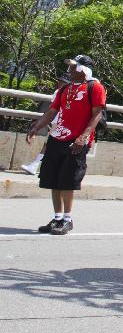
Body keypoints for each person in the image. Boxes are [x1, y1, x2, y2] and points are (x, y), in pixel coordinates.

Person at [25, 55, 106, 235]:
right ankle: (57, 218)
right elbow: (52, 111)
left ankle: (68, 220)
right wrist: (37, 126)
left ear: (84, 69)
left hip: (76, 140)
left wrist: (83, 137)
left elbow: (97, 115)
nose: (70, 70)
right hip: (57, 137)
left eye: (74, 67)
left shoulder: (95, 87)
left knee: (67, 181)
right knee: (54, 179)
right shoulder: (65, 90)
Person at [20, 75, 71, 175]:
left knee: (50, 144)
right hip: (61, 121)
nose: (60, 83)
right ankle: (38, 166)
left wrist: (41, 122)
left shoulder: (62, 92)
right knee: (50, 144)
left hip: (60, 121)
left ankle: (35, 166)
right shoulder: (65, 92)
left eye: (63, 82)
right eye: (60, 81)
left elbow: (51, 110)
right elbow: (51, 109)